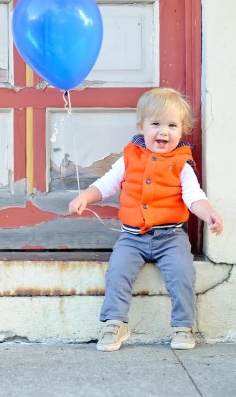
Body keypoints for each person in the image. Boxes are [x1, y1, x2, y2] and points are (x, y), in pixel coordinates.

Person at [69, 87, 223, 351]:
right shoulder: (130, 156)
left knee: (182, 272)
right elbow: (107, 184)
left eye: (172, 125)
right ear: (141, 126)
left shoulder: (182, 163)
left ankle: (184, 326)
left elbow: (193, 195)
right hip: (133, 236)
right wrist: (85, 197)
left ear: (182, 129)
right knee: (117, 271)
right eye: (156, 124)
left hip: (170, 236)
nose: (164, 132)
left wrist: (209, 213)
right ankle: (114, 323)